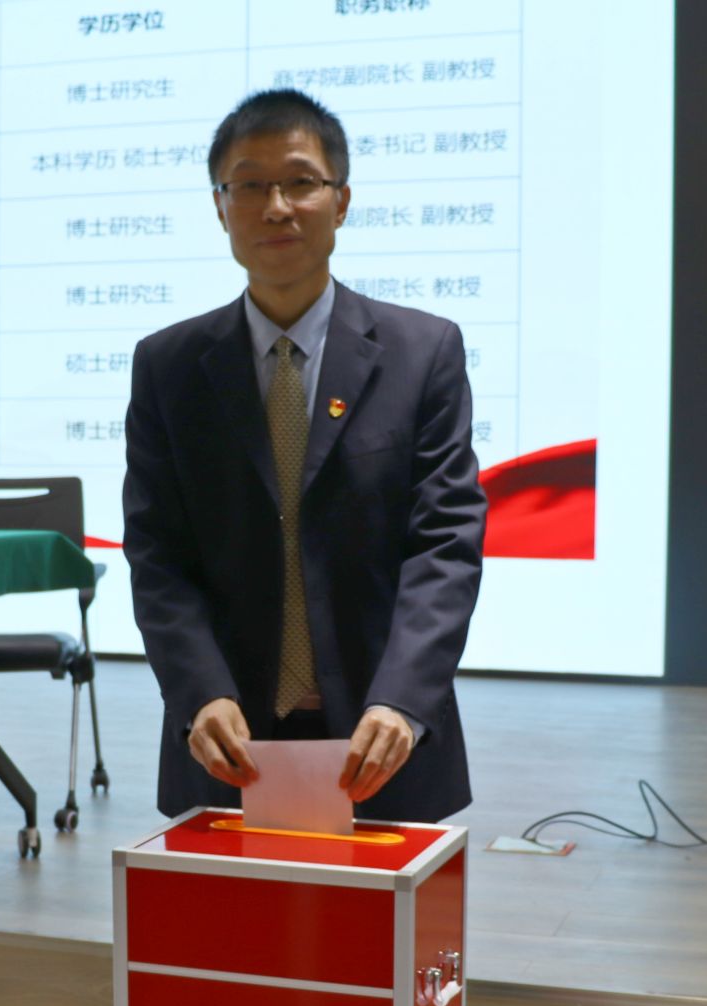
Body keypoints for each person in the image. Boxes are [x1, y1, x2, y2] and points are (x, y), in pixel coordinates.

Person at [122, 89, 486, 822]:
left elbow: (445, 543)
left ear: (341, 201)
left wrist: (402, 699)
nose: (277, 207)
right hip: (228, 738)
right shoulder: (167, 365)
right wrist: (200, 691)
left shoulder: (423, 352)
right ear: (220, 207)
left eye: (300, 182)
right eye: (250, 185)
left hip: (381, 734)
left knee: (383, 903)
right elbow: (157, 552)